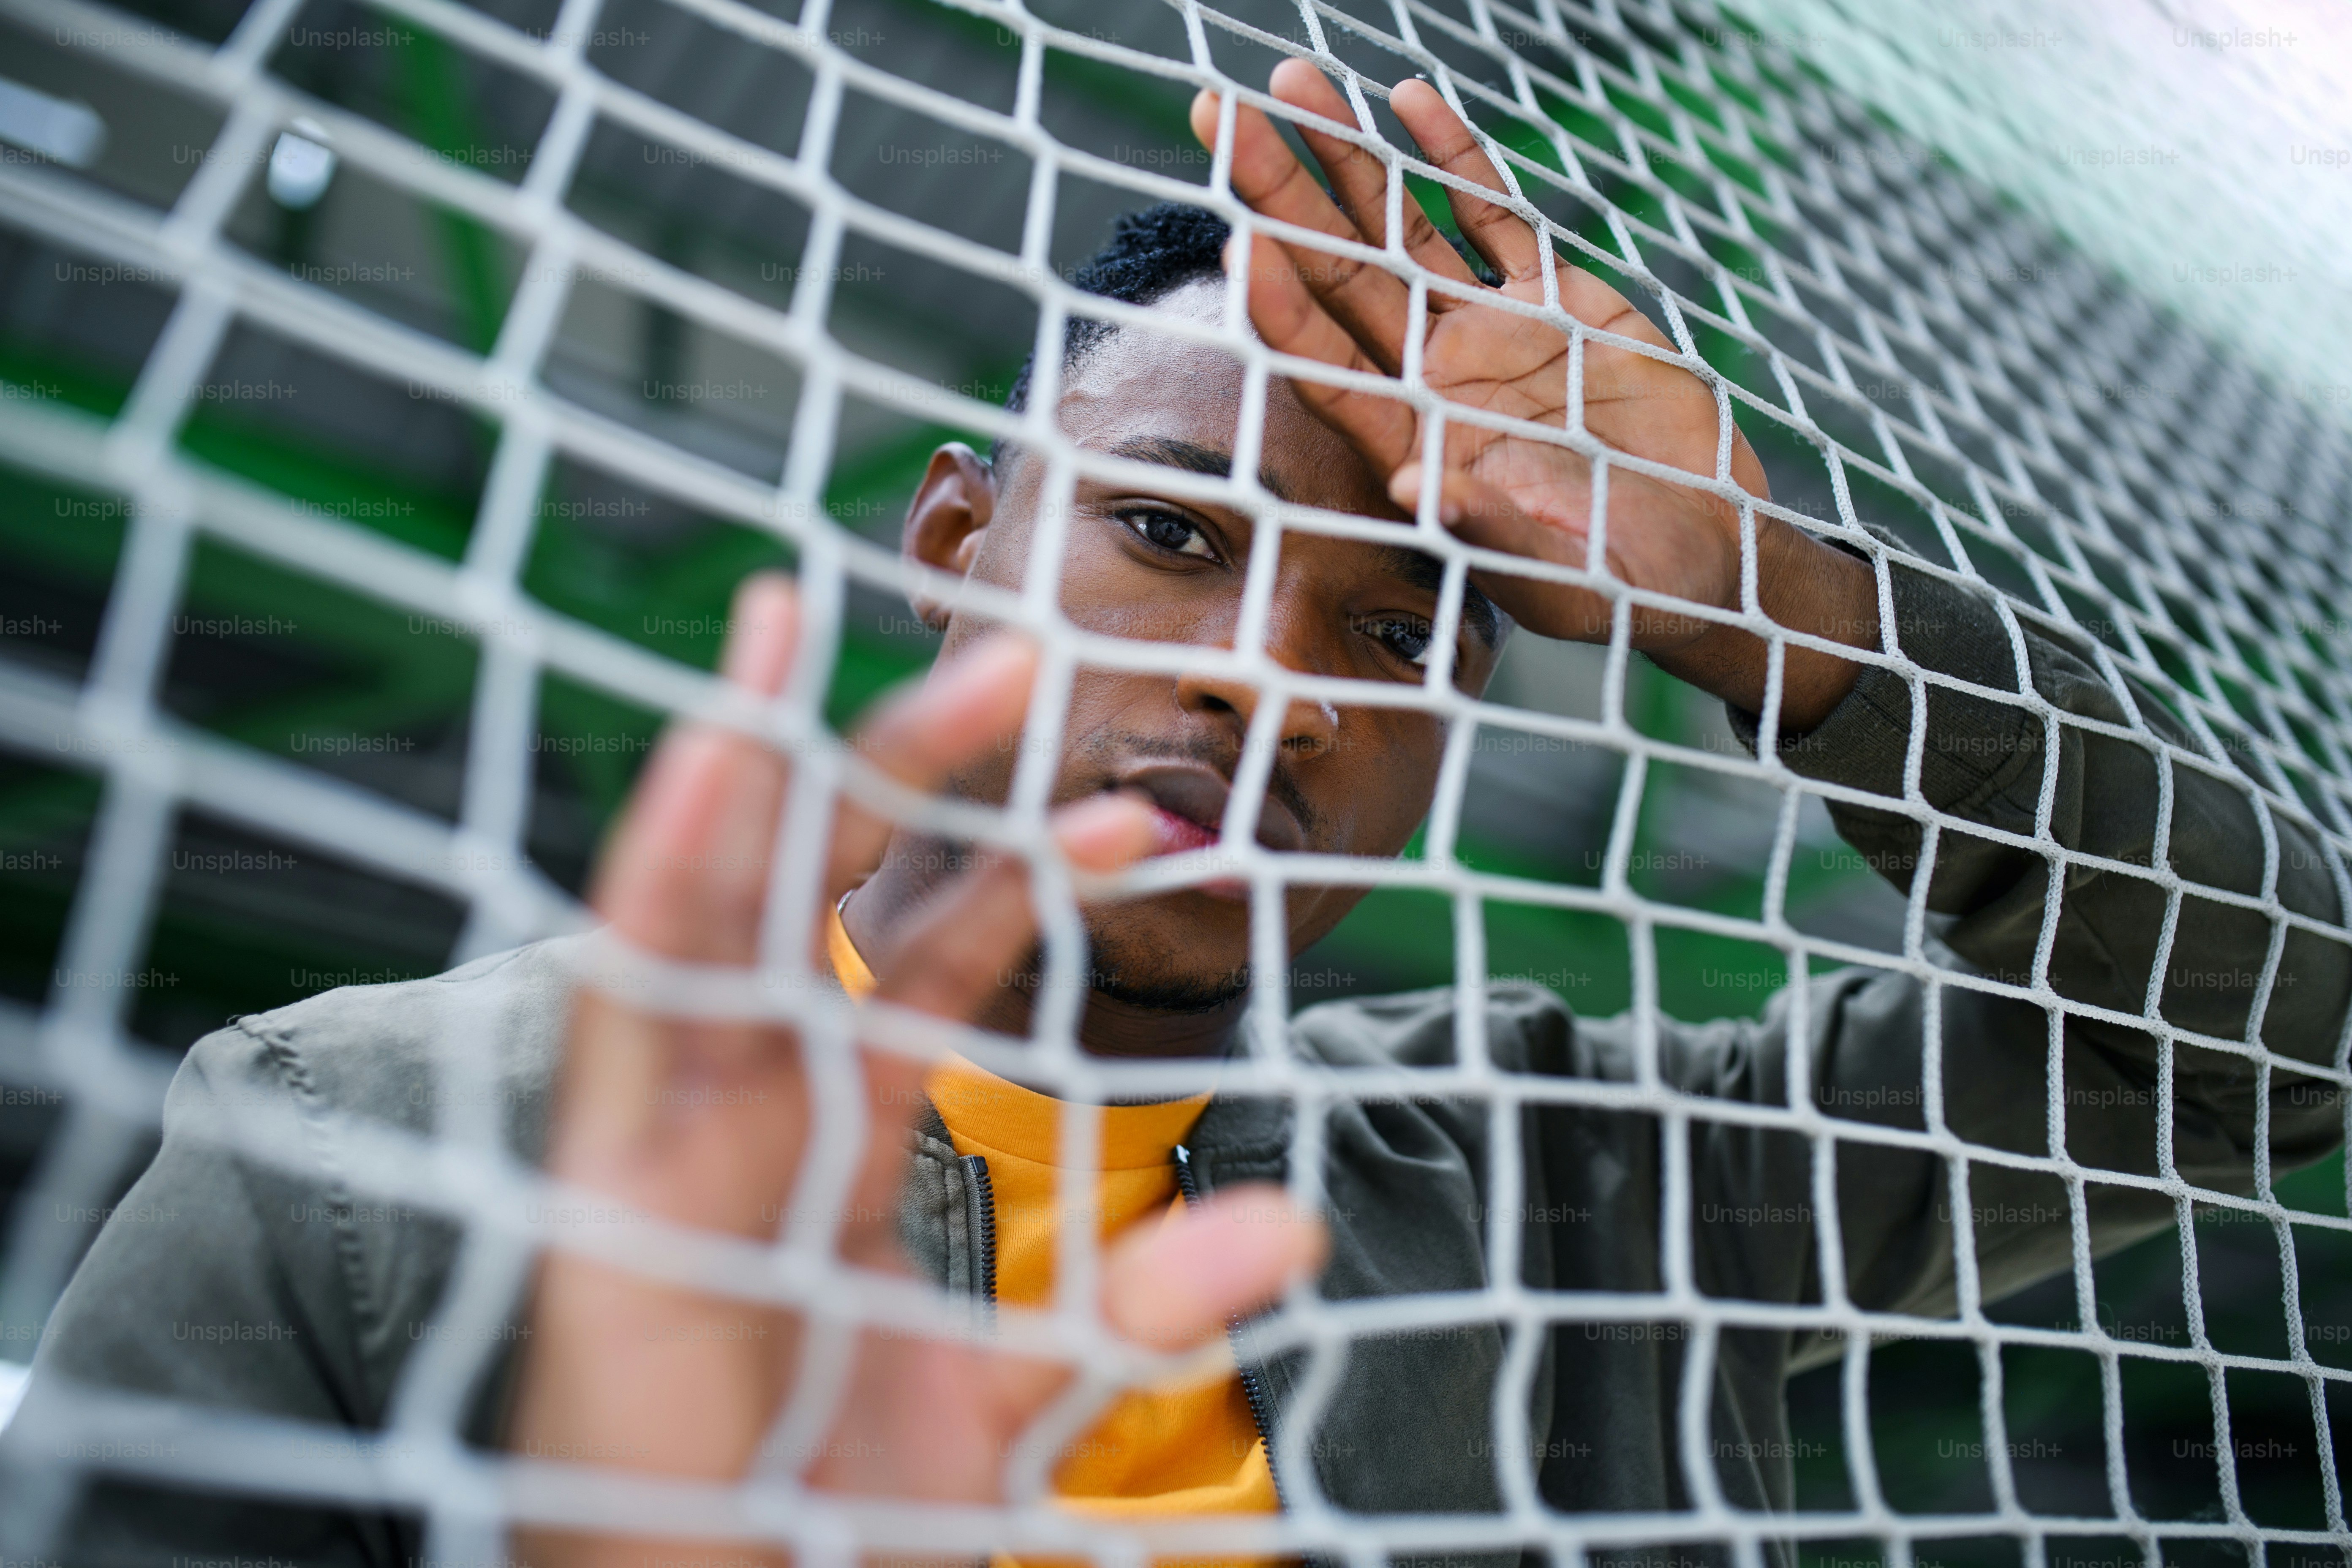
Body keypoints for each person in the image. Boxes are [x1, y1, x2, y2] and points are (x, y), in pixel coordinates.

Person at [12, 65, 2345, 1568]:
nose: (1267, 686)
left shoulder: (1592, 1181)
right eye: (1169, 533)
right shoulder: (360, 1146)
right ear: (948, 539)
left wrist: (1766, 605)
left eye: (1392, 633)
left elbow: (2279, 1041)